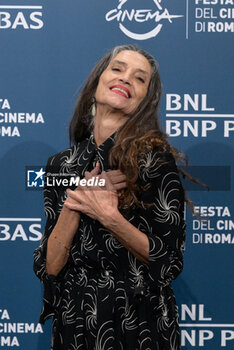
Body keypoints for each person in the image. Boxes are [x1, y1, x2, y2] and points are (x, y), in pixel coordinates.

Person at [34, 44, 186, 350]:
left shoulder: (155, 162)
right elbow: (50, 266)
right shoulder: (60, 165)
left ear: (145, 101)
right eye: (117, 69)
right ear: (97, 83)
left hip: (139, 320)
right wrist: (75, 204)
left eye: (140, 78)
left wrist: (109, 216)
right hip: (75, 320)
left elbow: (169, 261)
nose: (126, 78)